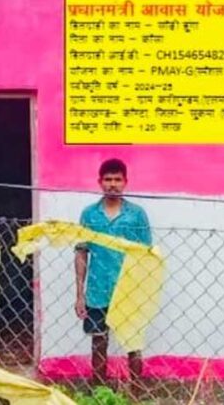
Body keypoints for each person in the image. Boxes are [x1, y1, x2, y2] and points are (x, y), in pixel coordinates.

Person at [74, 158, 152, 391]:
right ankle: (100, 392)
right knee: (98, 342)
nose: (112, 184)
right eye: (108, 179)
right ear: (100, 182)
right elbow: (81, 252)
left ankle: (136, 393)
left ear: (125, 182)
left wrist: (142, 291)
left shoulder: (136, 214)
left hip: (128, 289)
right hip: (97, 290)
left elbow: (145, 254)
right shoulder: (90, 215)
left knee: (133, 344)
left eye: (117, 179)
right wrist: (80, 294)